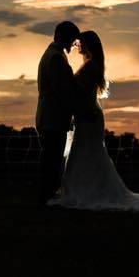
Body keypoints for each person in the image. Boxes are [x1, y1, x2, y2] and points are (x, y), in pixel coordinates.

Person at [48, 30, 139, 213]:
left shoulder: (90, 66)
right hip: (87, 116)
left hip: (89, 117)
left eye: (80, 42)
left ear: (88, 45)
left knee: (86, 153)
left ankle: (87, 192)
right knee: (87, 154)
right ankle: (87, 189)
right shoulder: (91, 64)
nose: (77, 45)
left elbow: (74, 90)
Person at [35, 20, 81, 204]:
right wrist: (75, 110)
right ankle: (47, 196)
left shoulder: (52, 54)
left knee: (51, 158)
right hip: (53, 117)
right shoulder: (55, 57)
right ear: (65, 37)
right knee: (52, 160)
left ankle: (46, 196)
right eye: (72, 39)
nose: (73, 44)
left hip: (50, 116)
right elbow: (62, 90)